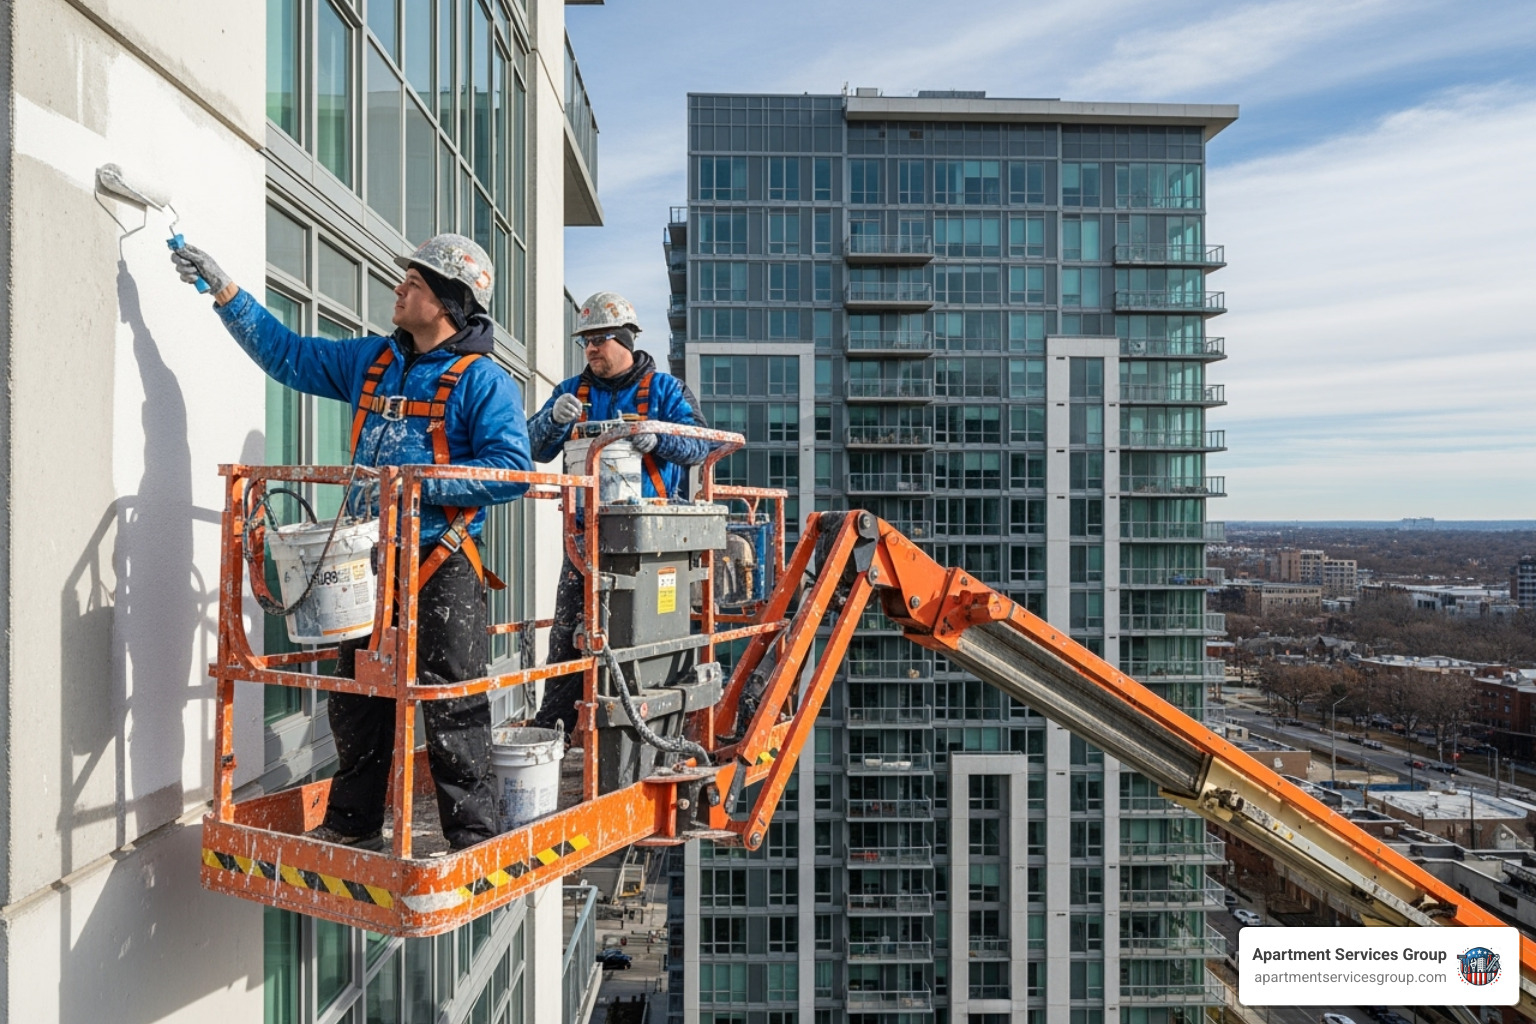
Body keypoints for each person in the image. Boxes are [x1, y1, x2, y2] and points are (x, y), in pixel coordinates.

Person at [171, 234, 533, 852]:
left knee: (452, 705)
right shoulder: (373, 361)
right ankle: (353, 823)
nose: (399, 290)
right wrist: (225, 292)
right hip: (366, 562)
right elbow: (287, 355)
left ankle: (472, 838)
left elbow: (512, 469)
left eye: (413, 283)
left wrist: (415, 484)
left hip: (440, 562)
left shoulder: (483, 383)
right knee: (357, 700)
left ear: (448, 301)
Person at [526, 291, 711, 738]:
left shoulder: (663, 390)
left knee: (644, 638)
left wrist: (658, 437)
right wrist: (553, 418)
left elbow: (702, 442)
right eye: (585, 340)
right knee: (568, 638)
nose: (590, 348)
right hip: (585, 540)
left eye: (600, 338)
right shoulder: (572, 392)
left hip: (649, 546)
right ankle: (555, 729)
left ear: (626, 339)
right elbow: (532, 446)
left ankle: (650, 733)